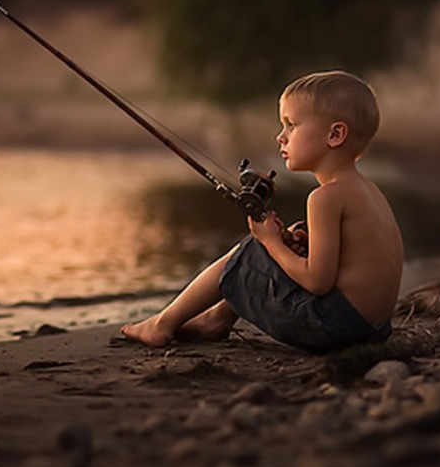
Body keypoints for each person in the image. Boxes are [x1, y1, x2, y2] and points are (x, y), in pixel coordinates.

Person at [121, 70, 404, 353]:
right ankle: (215, 318)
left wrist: (270, 242)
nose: (280, 137)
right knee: (287, 239)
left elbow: (318, 282)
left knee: (250, 253)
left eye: (291, 125)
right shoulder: (368, 191)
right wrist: (291, 246)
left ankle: (162, 324)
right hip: (374, 330)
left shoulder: (324, 198)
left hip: (335, 328)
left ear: (335, 134)